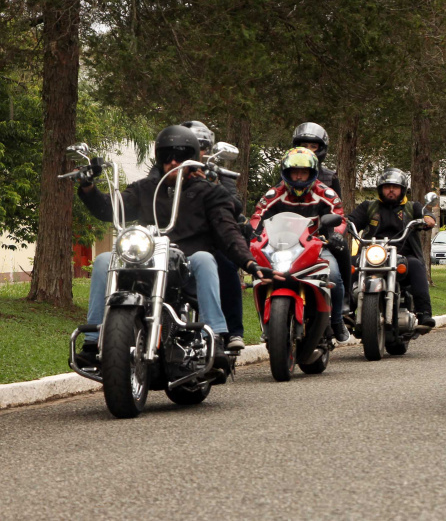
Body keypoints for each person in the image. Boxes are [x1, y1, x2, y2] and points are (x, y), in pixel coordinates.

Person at [76, 125, 271, 366]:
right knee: (104, 259)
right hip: (147, 262)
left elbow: (226, 229)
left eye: (180, 157)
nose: (173, 162)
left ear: (192, 159)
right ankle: (93, 341)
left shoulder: (210, 192)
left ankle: (216, 337)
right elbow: (111, 208)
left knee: (205, 258)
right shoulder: (145, 189)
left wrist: (248, 260)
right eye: (167, 157)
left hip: (186, 268)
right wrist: (88, 187)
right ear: (159, 159)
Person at [249, 148, 351, 342]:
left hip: (317, 247)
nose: (298, 177)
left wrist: (335, 234)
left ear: (312, 173)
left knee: (335, 276)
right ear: (286, 173)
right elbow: (258, 216)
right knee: (259, 277)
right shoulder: (274, 194)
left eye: (303, 172)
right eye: (294, 172)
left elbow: (339, 216)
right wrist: (252, 234)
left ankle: (337, 321)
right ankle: (267, 324)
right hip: (280, 248)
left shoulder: (326, 193)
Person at [180, 120, 247, 350]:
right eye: (190, 146)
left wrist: (211, 183)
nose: (198, 152)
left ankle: (233, 331)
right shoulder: (167, 171)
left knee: (227, 266)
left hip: (210, 240)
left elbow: (235, 206)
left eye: (202, 147)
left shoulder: (218, 173)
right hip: (175, 238)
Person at [348, 167, 437, 328]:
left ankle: (424, 313)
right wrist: (344, 223)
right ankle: (346, 311)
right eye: (387, 187)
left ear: (402, 190)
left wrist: (427, 219)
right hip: (372, 254)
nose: (391, 190)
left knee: (416, 265)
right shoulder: (369, 206)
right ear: (380, 189)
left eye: (395, 187)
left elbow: (428, 216)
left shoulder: (412, 207)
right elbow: (351, 219)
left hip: (403, 254)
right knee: (350, 264)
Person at [291, 122, 353, 313]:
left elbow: (338, 210)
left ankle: (344, 300)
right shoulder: (286, 175)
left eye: (313, 146)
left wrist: (334, 233)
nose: (308, 150)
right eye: (303, 146)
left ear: (322, 149)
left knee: (340, 248)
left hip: (321, 236)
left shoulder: (330, 177)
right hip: (289, 238)